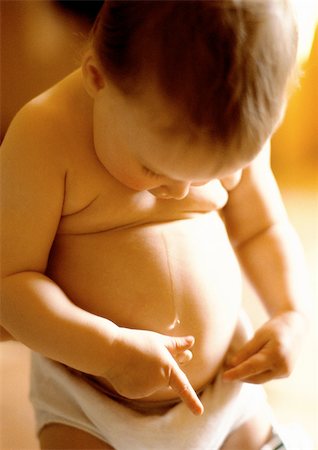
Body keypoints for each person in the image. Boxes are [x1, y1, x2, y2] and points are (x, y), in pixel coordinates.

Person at [1, 1, 311, 449]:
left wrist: (292, 313)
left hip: (226, 390)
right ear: (97, 77)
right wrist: (106, 350)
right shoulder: (43, 136)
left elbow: (262, 229)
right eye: (154, 170)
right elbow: (10, 284)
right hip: (92, 402)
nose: (184, 192)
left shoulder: (230, 120)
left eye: (218, 174)